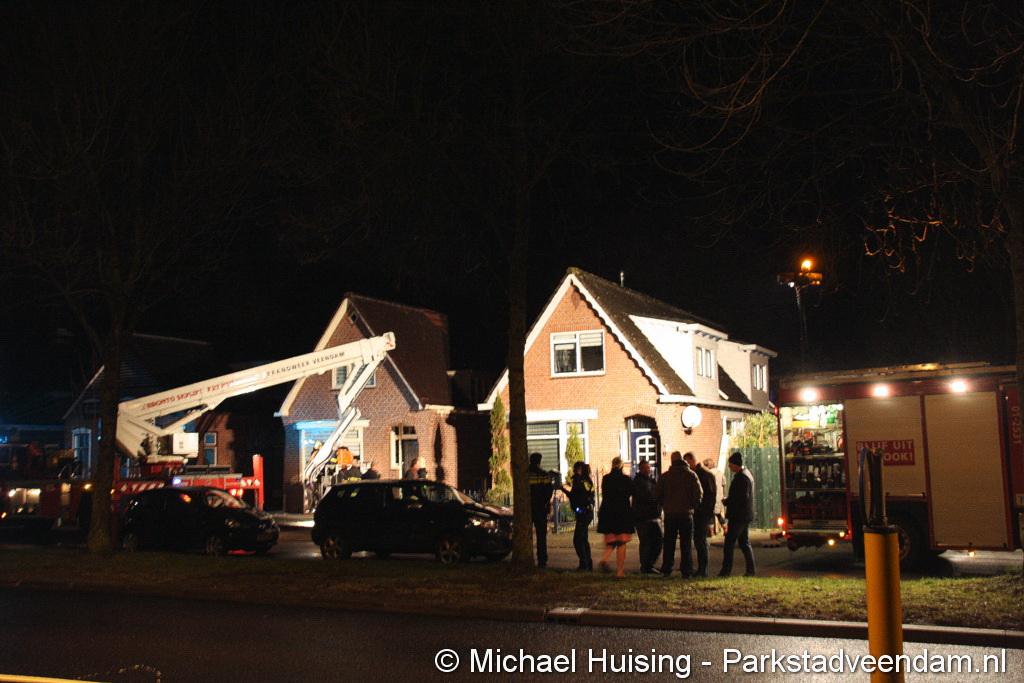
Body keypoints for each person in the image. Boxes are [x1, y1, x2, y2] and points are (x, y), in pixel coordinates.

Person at [656, 451, 703, 577]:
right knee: (686, 543)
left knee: (669, 543)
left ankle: (667, 568)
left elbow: (658, 495)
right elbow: (698, 494)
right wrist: (693, 506)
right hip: (686, 514)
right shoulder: (691, 475)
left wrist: (664, 505)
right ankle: (686, 570)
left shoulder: (665, 476)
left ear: (672, 461)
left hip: (670, 514)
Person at [597, 456, 635, 577]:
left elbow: (605, 493)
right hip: (622, 512)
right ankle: (620, 571)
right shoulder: (626, 479)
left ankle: (604, 559)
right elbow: (632, 492)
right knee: (621, 543)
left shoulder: (606, 479)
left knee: (611, 541)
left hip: (608, 512)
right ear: (622, 466)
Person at [719, 451, 756, 577]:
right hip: (745, 514)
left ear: (735, 464)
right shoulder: (747, 474)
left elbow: (740, 497)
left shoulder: (741, 478)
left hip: (738, 516)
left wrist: (727, 501)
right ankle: (751, 570)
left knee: (729, 543)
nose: (729, 467)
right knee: (744, 542)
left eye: (730, 465)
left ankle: (726, 570)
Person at [685, 452, 717, 577]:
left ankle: (703, 569)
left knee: (700, 541)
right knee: (699, 540)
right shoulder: (702, 473)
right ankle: (702, 569)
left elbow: (709, 496)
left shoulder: (702, 474)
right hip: (701, 512)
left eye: (687, 462)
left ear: (691, 461)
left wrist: (704, 511)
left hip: (701, 513)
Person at [560, 461, 595, 570]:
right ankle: (588, 563)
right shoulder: (587, 481)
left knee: (578, 540)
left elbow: (576, 496)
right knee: (583, 539)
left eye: (575, 469)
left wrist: (564, 490)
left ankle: (584, 564)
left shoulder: (580, 481)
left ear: (579, 470)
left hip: (583, 513)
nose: (574, 471)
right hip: (586, 512)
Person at [632, 460, 662, 574]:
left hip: (652, 515)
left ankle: (648, 565)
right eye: (645, 468)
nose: (648, 470)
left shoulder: (650, 480)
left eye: (649, 468)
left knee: (656, 541)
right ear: (640, 469)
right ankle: (646, 566)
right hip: (643, 516)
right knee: (647, 542)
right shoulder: (639, 482)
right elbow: (648, 496)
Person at [528, 452, 555, 568]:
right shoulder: (543, 474)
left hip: (528, 508)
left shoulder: (526, 474)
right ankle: (542, 560)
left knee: (526, 534)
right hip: (540, 508)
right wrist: (544, 502)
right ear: (539, 461)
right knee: (541, 535)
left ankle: (527, 556)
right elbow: (549, 491)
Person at [706, 458, 727, 535]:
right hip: (719, 497)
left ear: (708, 465)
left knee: (710, 514)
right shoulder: (720, 473)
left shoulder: (708, 473)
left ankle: (711, 531)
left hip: (711, 497)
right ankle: (725, 528)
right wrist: (723, 495)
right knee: (718, 514)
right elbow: (724, 484)